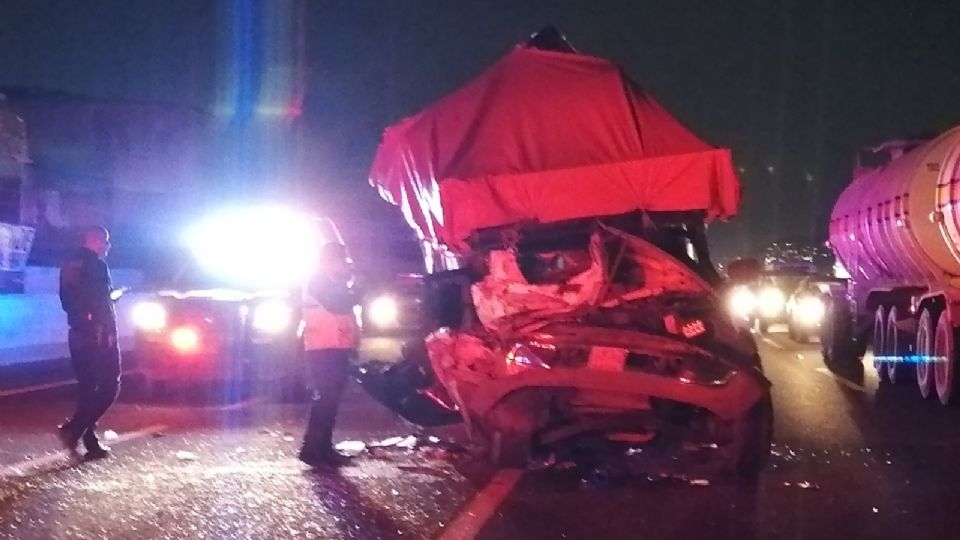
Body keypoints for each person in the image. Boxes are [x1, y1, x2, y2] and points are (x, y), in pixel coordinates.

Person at [56, 226, 121, 460]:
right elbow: (101, 302)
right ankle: (75, 428)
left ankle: (89, 439)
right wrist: (108, 331)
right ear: (93, 240)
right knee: (110, 384)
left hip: (78, 332)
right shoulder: (97, 265)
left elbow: (68, 300)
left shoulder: (69, 265)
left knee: (87, 387)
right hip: (98, 334)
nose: (107, 245)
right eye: (105, 240)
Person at [298, 241, 360, 468]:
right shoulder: (318, 280)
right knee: (325, 400)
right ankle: (312, 450)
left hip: (335, 346)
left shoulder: (332, 281)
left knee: (330, 401)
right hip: (322, 348)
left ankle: (323, 449)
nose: (346, 264)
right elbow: (339, 304)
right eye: (342, 260)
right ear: (331, 260)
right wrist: (358, 287)